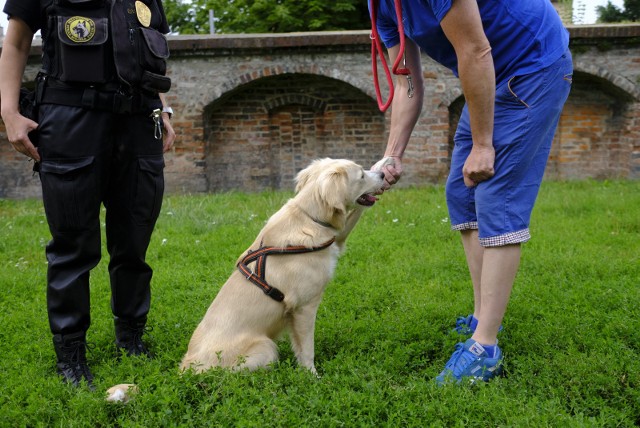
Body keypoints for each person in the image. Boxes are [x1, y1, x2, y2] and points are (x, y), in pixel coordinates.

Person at [370, 0, 572, 383]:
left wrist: (483, 145)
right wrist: (392, 155)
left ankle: (485, 346)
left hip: (534, 64)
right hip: (493, 71)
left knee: (496, 193)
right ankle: (483, 317)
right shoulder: (379, 5)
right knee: (462, 193)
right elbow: (405, 82)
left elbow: (475, 50)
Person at [0, 0, 176, 389]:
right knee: (73, 244)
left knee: (134, 238)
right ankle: (70, 353)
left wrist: (164, 109)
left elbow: (150, 52)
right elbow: (15, 43)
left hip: (138, 119)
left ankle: (131, 337)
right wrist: (9, 112)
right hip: (70, 117)